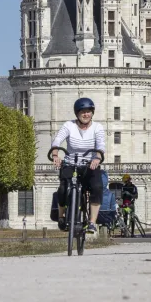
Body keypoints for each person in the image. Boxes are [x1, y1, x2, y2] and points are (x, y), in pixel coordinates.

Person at [51, 97, 106, 237]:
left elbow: (100, 145)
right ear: (77, 113)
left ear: (92, 113)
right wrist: (56, 154)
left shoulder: (97, 127)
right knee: (63, 189)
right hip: (71, 163)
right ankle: (62, 216)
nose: (86, 114)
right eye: (83, 112)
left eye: (88, 112)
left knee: (97, 187)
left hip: (90, 164)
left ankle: (92, 222)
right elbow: (58, 139)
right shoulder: (69, 125)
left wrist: (97, 158)